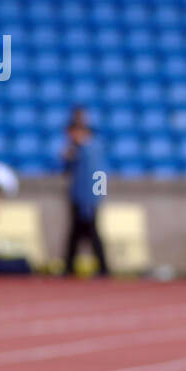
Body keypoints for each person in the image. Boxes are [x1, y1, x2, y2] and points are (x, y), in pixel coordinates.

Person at [62, 114, 109, 276]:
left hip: (87, 199)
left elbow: (99, 175)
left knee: (91, 233)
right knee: (76, 234)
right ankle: (69, 266)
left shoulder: (91, 150)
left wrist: (96, 197)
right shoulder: (79, 150)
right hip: (79, 197)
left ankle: (103, 267)